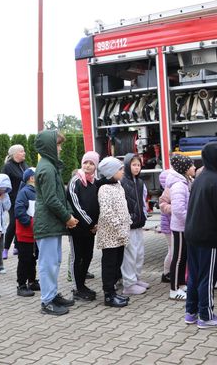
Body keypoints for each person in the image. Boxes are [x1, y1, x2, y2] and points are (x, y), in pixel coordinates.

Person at [184, 142, 217, 329]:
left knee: (194, 275)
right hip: (208, 237)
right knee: (207, 277)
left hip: (192, 234)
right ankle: (206, 316)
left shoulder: (200, 178)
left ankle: (191, 312)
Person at [34, 130, 78, 316]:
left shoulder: (50, 166)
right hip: (47, 225)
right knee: (48, 264)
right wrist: (67, 217)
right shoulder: (47, 168)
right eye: (58, 144)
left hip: (51, 224)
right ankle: (47, 302)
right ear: (49, 146)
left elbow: (59, 195)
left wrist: (68, 214)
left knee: (54, 261)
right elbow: (51, 199)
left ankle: (52, 295)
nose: (60, 148)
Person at [96, 156, 131, 308]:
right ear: (111, 172)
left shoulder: (118, 185)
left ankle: (114, 291)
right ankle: (108, 295)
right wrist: (119, 227)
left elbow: (123, 206)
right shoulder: (104, 189)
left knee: (117, 263)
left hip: (120, 235)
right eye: (120, 169)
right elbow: (107, 212)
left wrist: (128, 221)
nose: (123, 171)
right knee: (109, 264)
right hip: (110, 235)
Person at [66, 151, 100, 301]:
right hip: (78, 228)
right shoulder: (75, 181)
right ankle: (77, 288)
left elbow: (98, 204)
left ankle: (82, 284)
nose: (88, 166)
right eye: (86, 162)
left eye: (91, 163)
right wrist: (90, 223)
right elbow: (76, 205)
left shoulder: (95, 182)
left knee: (88, 256)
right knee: (77, 257)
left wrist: (96, 224)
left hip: (91, 229)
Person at [120, 153, 149, 295]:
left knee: (139, 253)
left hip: (139, 223)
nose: (137, 168)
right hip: (128, 224)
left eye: (138, 165)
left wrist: (144, 215)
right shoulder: (122, 182)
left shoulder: (140, 182)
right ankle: (128, 284)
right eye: (133, 165)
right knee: (130, 254)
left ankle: (136, 278)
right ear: (127, 165)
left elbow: (143, 202)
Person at [167, 154, 195, 300]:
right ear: (185, 168)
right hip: (180, 228)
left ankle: (181, 284)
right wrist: (189, 222)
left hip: (184, 226)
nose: (194, 167)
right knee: (178, 258)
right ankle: (174, 289)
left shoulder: (185, 182)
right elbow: (178, 210)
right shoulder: (179, 185)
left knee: (183, 256)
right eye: (191, 165)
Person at [15, 168, 39, 296]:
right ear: (32, 178)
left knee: (32, 258)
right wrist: (30, 223)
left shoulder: (36, 191)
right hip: (25, 233)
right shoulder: (24, 192)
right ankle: (21, 285)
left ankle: (32, 281)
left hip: (34, 234)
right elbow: (19, 210)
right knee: (24, 259)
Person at [1, 144, 28, 259]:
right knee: (13, 222)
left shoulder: (24, 165)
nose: (24, 153)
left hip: (25, 199)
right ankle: (5, 249)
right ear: (15, 154)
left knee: (22, 221)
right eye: (21, 151)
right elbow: (2, 183)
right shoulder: (8, 167)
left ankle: (17, 246)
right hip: (12, 200)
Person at [0, 173, 12, 274]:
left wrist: (3, 199)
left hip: (1, 226)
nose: (2, 190)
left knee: (0, 247)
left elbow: (7, 207)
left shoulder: (5, 194)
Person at [158, 169, 173, 284]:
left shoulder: (166, 194)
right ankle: (166, 273)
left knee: (171, 249)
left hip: (168, 228)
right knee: (172, 250)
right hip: (169, 229)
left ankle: (167, 272)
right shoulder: (168, 196)